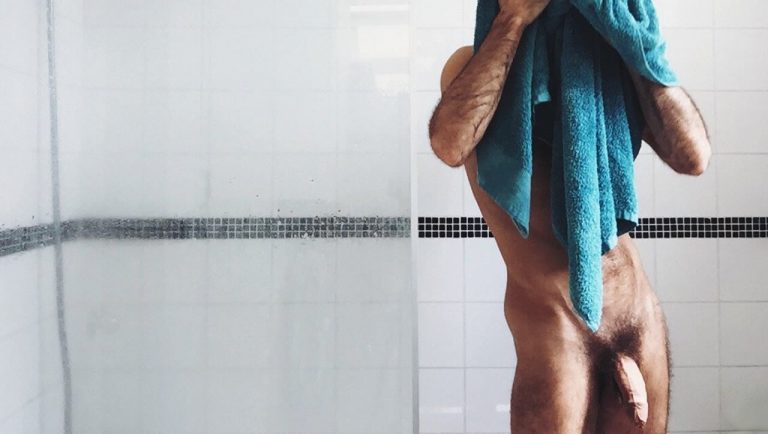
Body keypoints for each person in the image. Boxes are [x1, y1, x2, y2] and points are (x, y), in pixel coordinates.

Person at [428, 1, 712, 432]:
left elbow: (693, 155)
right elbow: (450, 143)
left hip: (635, 312)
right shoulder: (472, 63)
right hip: (555, 324)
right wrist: (511, 20)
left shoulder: (606, 58)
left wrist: (630, 38)